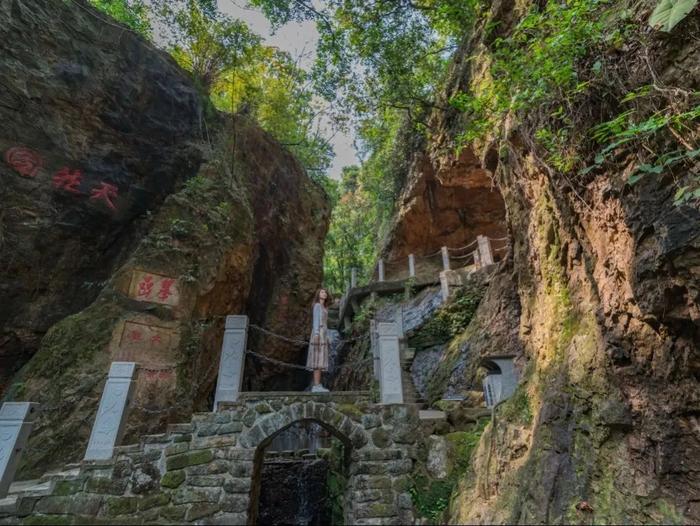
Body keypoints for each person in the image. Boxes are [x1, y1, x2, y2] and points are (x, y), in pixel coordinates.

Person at [306, 288, 330, 392]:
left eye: (325, 292)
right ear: (318, 294)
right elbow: (316, 320)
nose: (324, 294)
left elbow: (325, 324)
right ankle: (316, 386)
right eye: (322, 292)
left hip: (323, 334)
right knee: (317, 359)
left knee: (321, 359)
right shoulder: (317, 306)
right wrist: (316, 334)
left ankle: (318, 385)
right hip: (318, 333)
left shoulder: (325, 308)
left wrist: (327, 336)